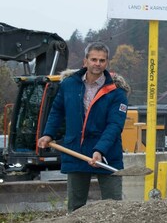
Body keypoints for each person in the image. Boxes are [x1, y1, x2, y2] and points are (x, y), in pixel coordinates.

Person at [38, 42, 129, 212]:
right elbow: (57, 111)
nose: (97, 63)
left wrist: (100, 150)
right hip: (76, 151)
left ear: (107, 62)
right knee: (75, 208)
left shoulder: (117, 92)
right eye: (93, 59)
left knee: (114, 208)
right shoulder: (69, 85)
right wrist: (48, 134)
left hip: (107, 154)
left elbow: (115, 125)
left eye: (102, 60)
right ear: (85, 60)